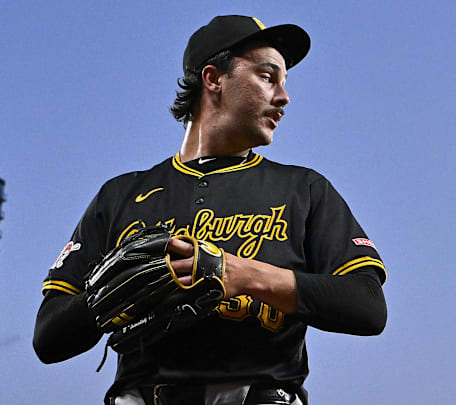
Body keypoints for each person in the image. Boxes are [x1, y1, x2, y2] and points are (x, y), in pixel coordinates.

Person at [33, 15, 387, 405]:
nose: (284, 97)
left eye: (284, 82)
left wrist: (238, 272)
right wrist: (102, 301)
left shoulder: (304, 189)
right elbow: (48, 338)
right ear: (214, 79)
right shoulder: (119, 195)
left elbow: (366, 305)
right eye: (268, 77)